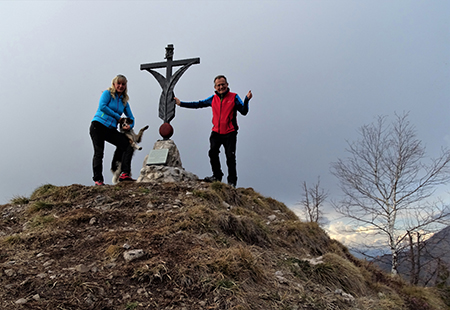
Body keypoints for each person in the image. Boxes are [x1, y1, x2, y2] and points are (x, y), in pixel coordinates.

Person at [174, 75, 253, 187]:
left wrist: (246, 100)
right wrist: (181, 103)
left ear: (227, 85)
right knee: (212, 153)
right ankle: (217, 176)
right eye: (218, 85)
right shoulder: (213, 99)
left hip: (230, 132)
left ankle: (232, 182)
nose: (221, 87)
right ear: (215, 87)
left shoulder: (234, 97)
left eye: (223, 84)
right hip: (216, 132)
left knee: (230, 157)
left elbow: (244, 111)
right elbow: (198, 104)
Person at [90, 74, 136, 185]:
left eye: (123, 84)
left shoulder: (124, 101)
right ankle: (98, 179)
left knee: (127, 145)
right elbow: (102, 106)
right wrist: (118, 117)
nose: (120, 86)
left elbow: (131, 117)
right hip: (98, 125)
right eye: (118, 83)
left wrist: (130, 125)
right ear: (114, 84)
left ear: (125, 86)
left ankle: (124, 173)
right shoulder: (108, 94)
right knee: (99, 153)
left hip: (110, 128)